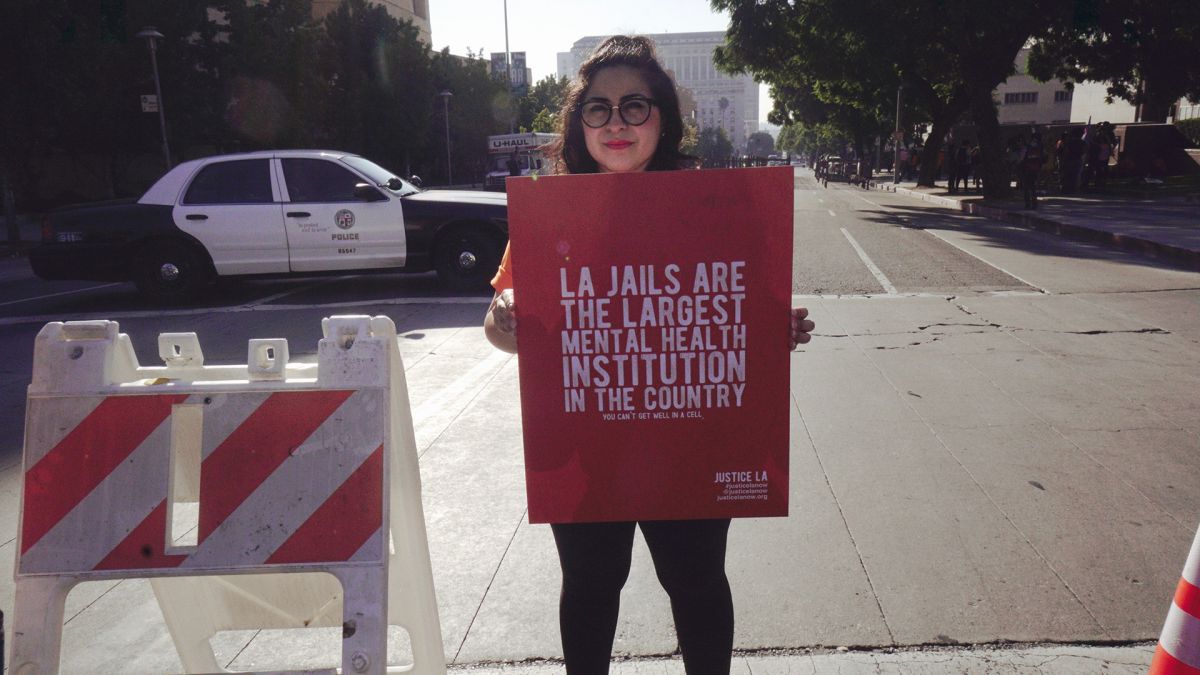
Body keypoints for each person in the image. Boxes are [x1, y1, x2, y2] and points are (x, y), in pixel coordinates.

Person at [483, 35, 815, 675]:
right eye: (598, 108)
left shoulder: (713, 207)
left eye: (634, 106)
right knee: (589, 586)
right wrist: (505, 320)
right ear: (579, 123)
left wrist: (772, 333)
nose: (616, 123)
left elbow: (739, 315)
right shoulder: (551, 212)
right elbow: (499, 327)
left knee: (696, 583)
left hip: (689, 440)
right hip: (588, 442)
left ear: (662, 118)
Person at [1019, 131, 1044, 209]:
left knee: (1026, 187)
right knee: (1033, 186)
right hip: (1036, 168)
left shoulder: (1027, 147)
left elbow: (1021, 158)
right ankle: (1034, 203)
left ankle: (1027, 203)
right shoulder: (1040, 147)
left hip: (1027, 168)